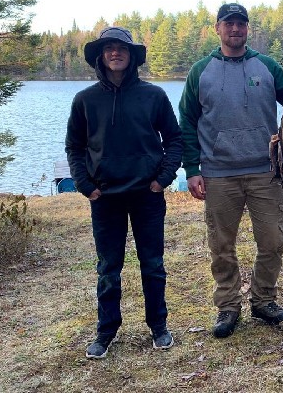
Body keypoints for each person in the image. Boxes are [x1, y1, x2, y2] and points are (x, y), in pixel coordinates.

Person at [178, 3, 283, 338]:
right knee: (221, 245)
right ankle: (228, 306)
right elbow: (187, 122)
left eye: (241, 24)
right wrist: (192, 168)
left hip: (267, 170)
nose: (235, 29)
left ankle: (264, 300)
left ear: (247, 29)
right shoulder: (200, 71)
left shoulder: (265, 66)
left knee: (273, 239)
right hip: (218, 173)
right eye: (229, 24)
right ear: (217, 28)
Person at [65, 26, 183, 359]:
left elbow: (174, 140)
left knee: (153, 265)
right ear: (101, 57)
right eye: (109, 48)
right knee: (108, 268)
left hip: (147, 194)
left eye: (122, 48)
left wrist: (163, 178)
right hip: (105, 198)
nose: (116, 53)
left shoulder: (154, 96)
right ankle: (106, 331)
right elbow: (74, 146)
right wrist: (85, 185)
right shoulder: (85, 100)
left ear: (132, 57)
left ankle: (158, 326)